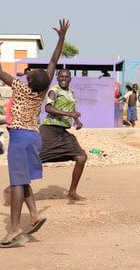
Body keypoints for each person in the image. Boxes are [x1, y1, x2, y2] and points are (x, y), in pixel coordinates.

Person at [0, 18, 69, 249]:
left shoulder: (21, 87)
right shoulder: (42, 90)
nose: (30, 71)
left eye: (32, 72)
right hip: (34, 137)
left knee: (16, 183)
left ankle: (14, 229)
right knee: (23, 180)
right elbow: (54, 59)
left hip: (21, 138)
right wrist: (61, 37)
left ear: (29, 80)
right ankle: (33, 214)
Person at [39, 69, 87, 201]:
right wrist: (70, 115)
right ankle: (18, 188)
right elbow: (48, 108)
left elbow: (72, 110)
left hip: (62, 132)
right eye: (61, 76)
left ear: (70, 79)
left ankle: (72, 192)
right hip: (49, 130)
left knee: (81, 157)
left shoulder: (71, 92)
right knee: (35, 160)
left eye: (66, 76)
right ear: (57, 77)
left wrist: (77, 120)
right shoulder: (54, 90)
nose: (64, 78)